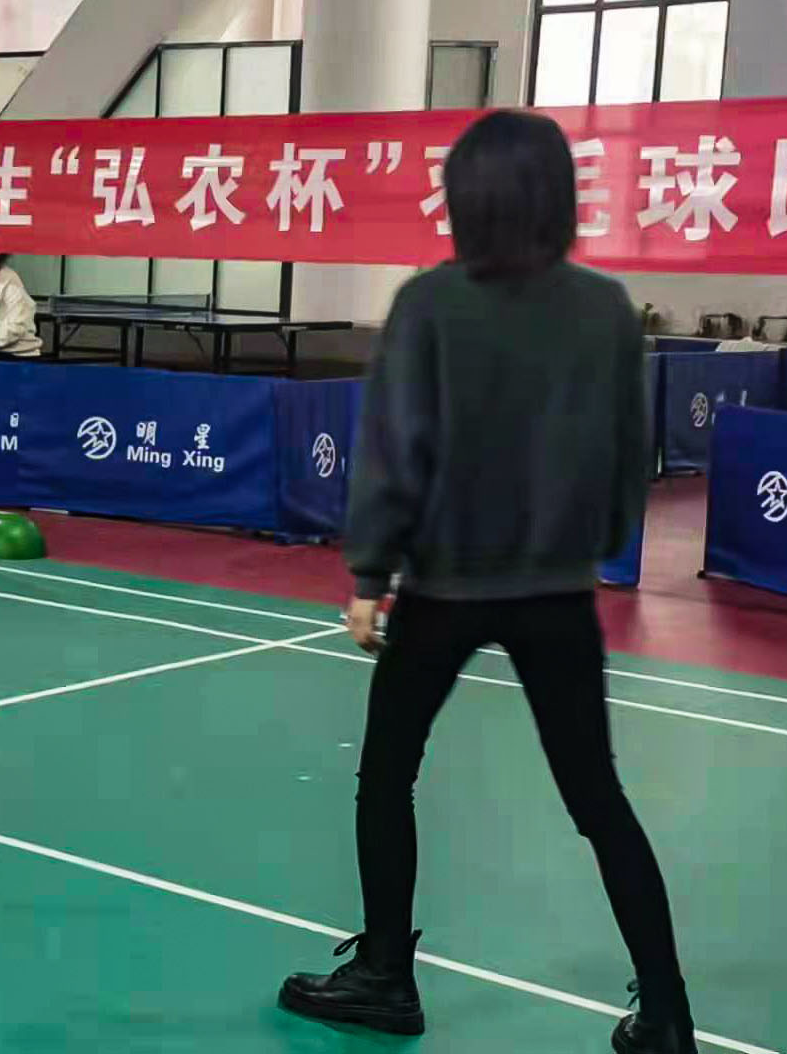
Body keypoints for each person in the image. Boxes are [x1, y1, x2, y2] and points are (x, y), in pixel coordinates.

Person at [277, 110, 696, 1053]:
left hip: (443, 587)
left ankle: (385, 973)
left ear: (466, 196)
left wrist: (368, 573)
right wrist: (589, 544)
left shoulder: (429, 302)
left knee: (387, 773)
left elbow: (393, 448)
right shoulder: (605, 307)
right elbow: (629, 454)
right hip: (556, 592)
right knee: (597, 797)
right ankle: (667, 1011)